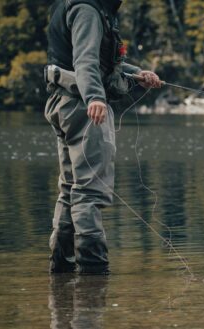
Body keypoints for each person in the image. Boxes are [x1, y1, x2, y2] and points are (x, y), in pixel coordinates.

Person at [44, 0, 162, 274]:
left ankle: (60, 271)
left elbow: (100, 58)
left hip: (64, 102)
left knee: (71, 189)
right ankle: (94, 274)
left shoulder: (79, 5)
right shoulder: (87, 10)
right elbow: (85, 59)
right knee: (88, 192)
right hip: (83, 106)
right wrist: (95, 97)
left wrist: (137, 74)